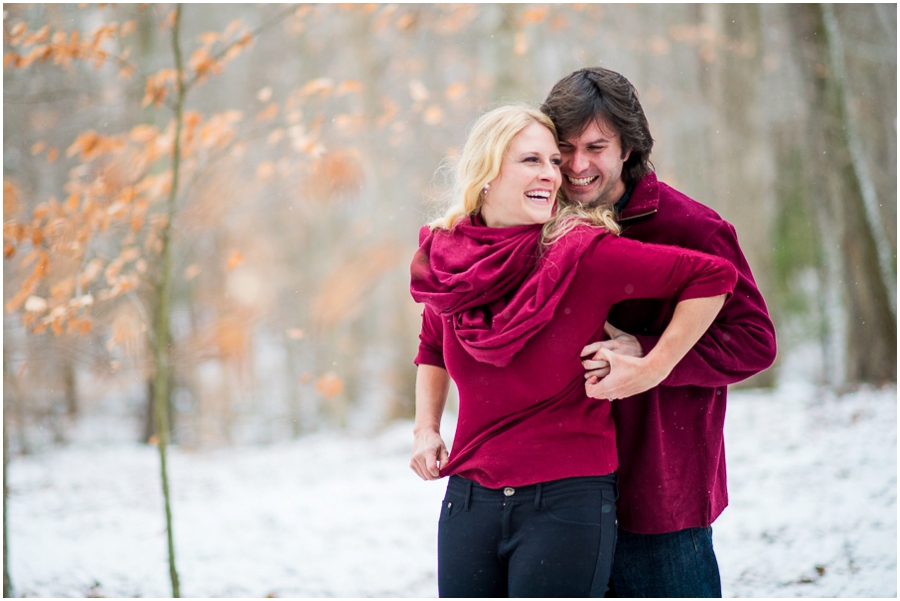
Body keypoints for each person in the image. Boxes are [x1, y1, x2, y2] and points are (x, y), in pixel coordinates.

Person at [409, 104, 738, 598]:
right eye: (532, 161)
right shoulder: (450, 259)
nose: (552, 174)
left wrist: (654, 364)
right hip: (468, 498)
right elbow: (433, 344)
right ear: (486, 173)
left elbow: (712, 276)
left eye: (552, 163)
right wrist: (426, 430)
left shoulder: (579, 254)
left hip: (566, 499)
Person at [540, 67, 778, 598]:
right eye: (564, 148)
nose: (578, 166)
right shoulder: (540, 222)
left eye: (596, 147)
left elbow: (754, 341)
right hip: (557, 498)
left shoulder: (692, 228)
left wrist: (651, 354)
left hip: (657, 500)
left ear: (628, 147)